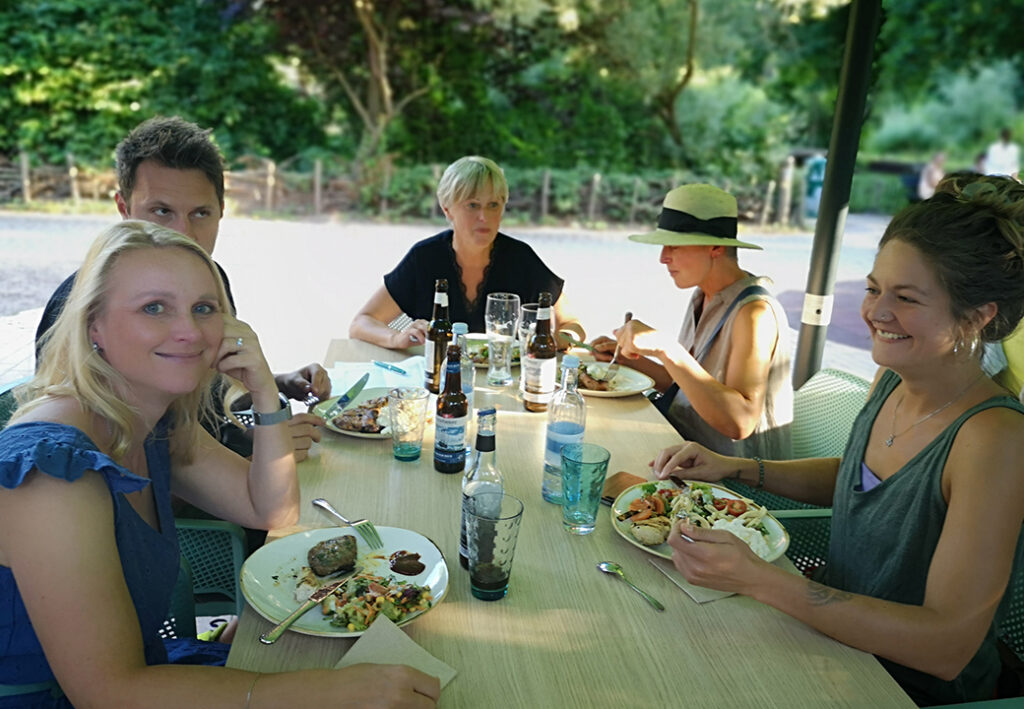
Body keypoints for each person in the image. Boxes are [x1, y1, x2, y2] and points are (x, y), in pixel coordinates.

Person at [0, 221, 440, 708]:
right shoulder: (50, 472)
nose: (190, 332)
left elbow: (270, 510)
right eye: (154, 307)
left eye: (203, 309)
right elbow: (108, 693)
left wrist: (264, 389)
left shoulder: (155, 423)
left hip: (148, 675)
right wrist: (330, 691)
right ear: (93, 326)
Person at [649, 178, 1024, 705]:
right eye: (874, 289)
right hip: (828, 638)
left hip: (900, 687)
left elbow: (946, 646)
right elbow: (856, 476)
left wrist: (764, 582)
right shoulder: (893, 378)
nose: (876, 313)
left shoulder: (995, 438)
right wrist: (733, 468)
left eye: (907, 297)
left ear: (979, 316)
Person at [34, 116, 329, 462]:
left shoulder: (210, 280)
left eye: (200, 213)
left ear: (222, 211)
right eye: (161, 211)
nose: (184, 233)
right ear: (124, 209)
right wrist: (255, 448)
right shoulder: (83, 306)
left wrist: (273, 382)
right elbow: (100, 461)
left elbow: (205, 392)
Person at [591, 183, 792, 459]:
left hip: (734, 484)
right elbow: (690, 388)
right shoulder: (704, 294)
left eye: (674, 245)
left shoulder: (754, 313)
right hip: (684, 449)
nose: (663, 258)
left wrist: (667, 348)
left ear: (714, 247)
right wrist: (625, 360)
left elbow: (740, 423)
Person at [349, 155, 585, 348]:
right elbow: (361, 323)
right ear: (447, 210)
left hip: (501, 385)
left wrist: (554, 341)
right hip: (437, 384)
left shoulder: (521, 258)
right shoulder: (425, 258)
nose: (484, 217)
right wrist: (395, 337)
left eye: (493, 205)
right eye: (472, 205)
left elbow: (573, 326)